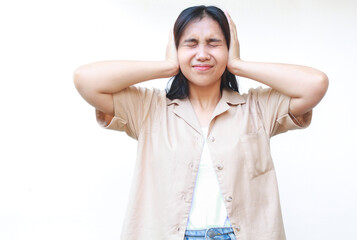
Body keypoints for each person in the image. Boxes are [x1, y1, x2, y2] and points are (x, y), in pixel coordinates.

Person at [74, 5, 328, 240]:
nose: (203, 54)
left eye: (214, 43)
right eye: (191, 44)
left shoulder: (258, 108)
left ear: (229, 48)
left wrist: (238, 65)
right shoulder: (148, 108)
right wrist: (167, 67)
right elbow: (86, 79)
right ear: (176, 49)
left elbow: (314, 84)